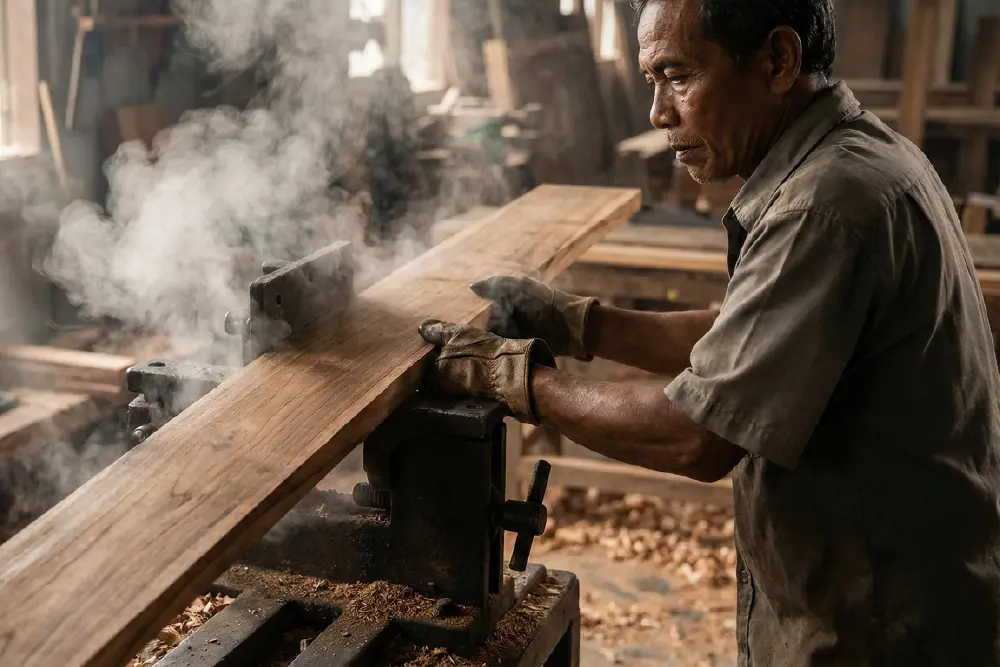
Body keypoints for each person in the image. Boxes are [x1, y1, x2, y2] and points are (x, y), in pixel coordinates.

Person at [418, 0, 1000, 664]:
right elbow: (747, 337)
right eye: (651, 80)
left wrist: (518, 377)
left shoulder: (828, 204)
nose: (658, 113)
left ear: (778, 60)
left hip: (883, 633)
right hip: (907, 602)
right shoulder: (859, 155)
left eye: (677, 75)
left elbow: (696, 434)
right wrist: (582, 323)